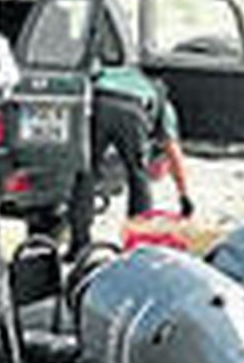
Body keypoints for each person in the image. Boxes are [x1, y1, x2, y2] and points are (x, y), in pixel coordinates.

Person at [67, 65, 193, 257]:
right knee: (138, 176)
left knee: (86, 172)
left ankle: (79, 244)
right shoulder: (162, 102)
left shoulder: (116, 72)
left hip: (99, 100)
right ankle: (137, 243)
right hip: (132, 110)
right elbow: (173, 151)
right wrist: (184, 196)